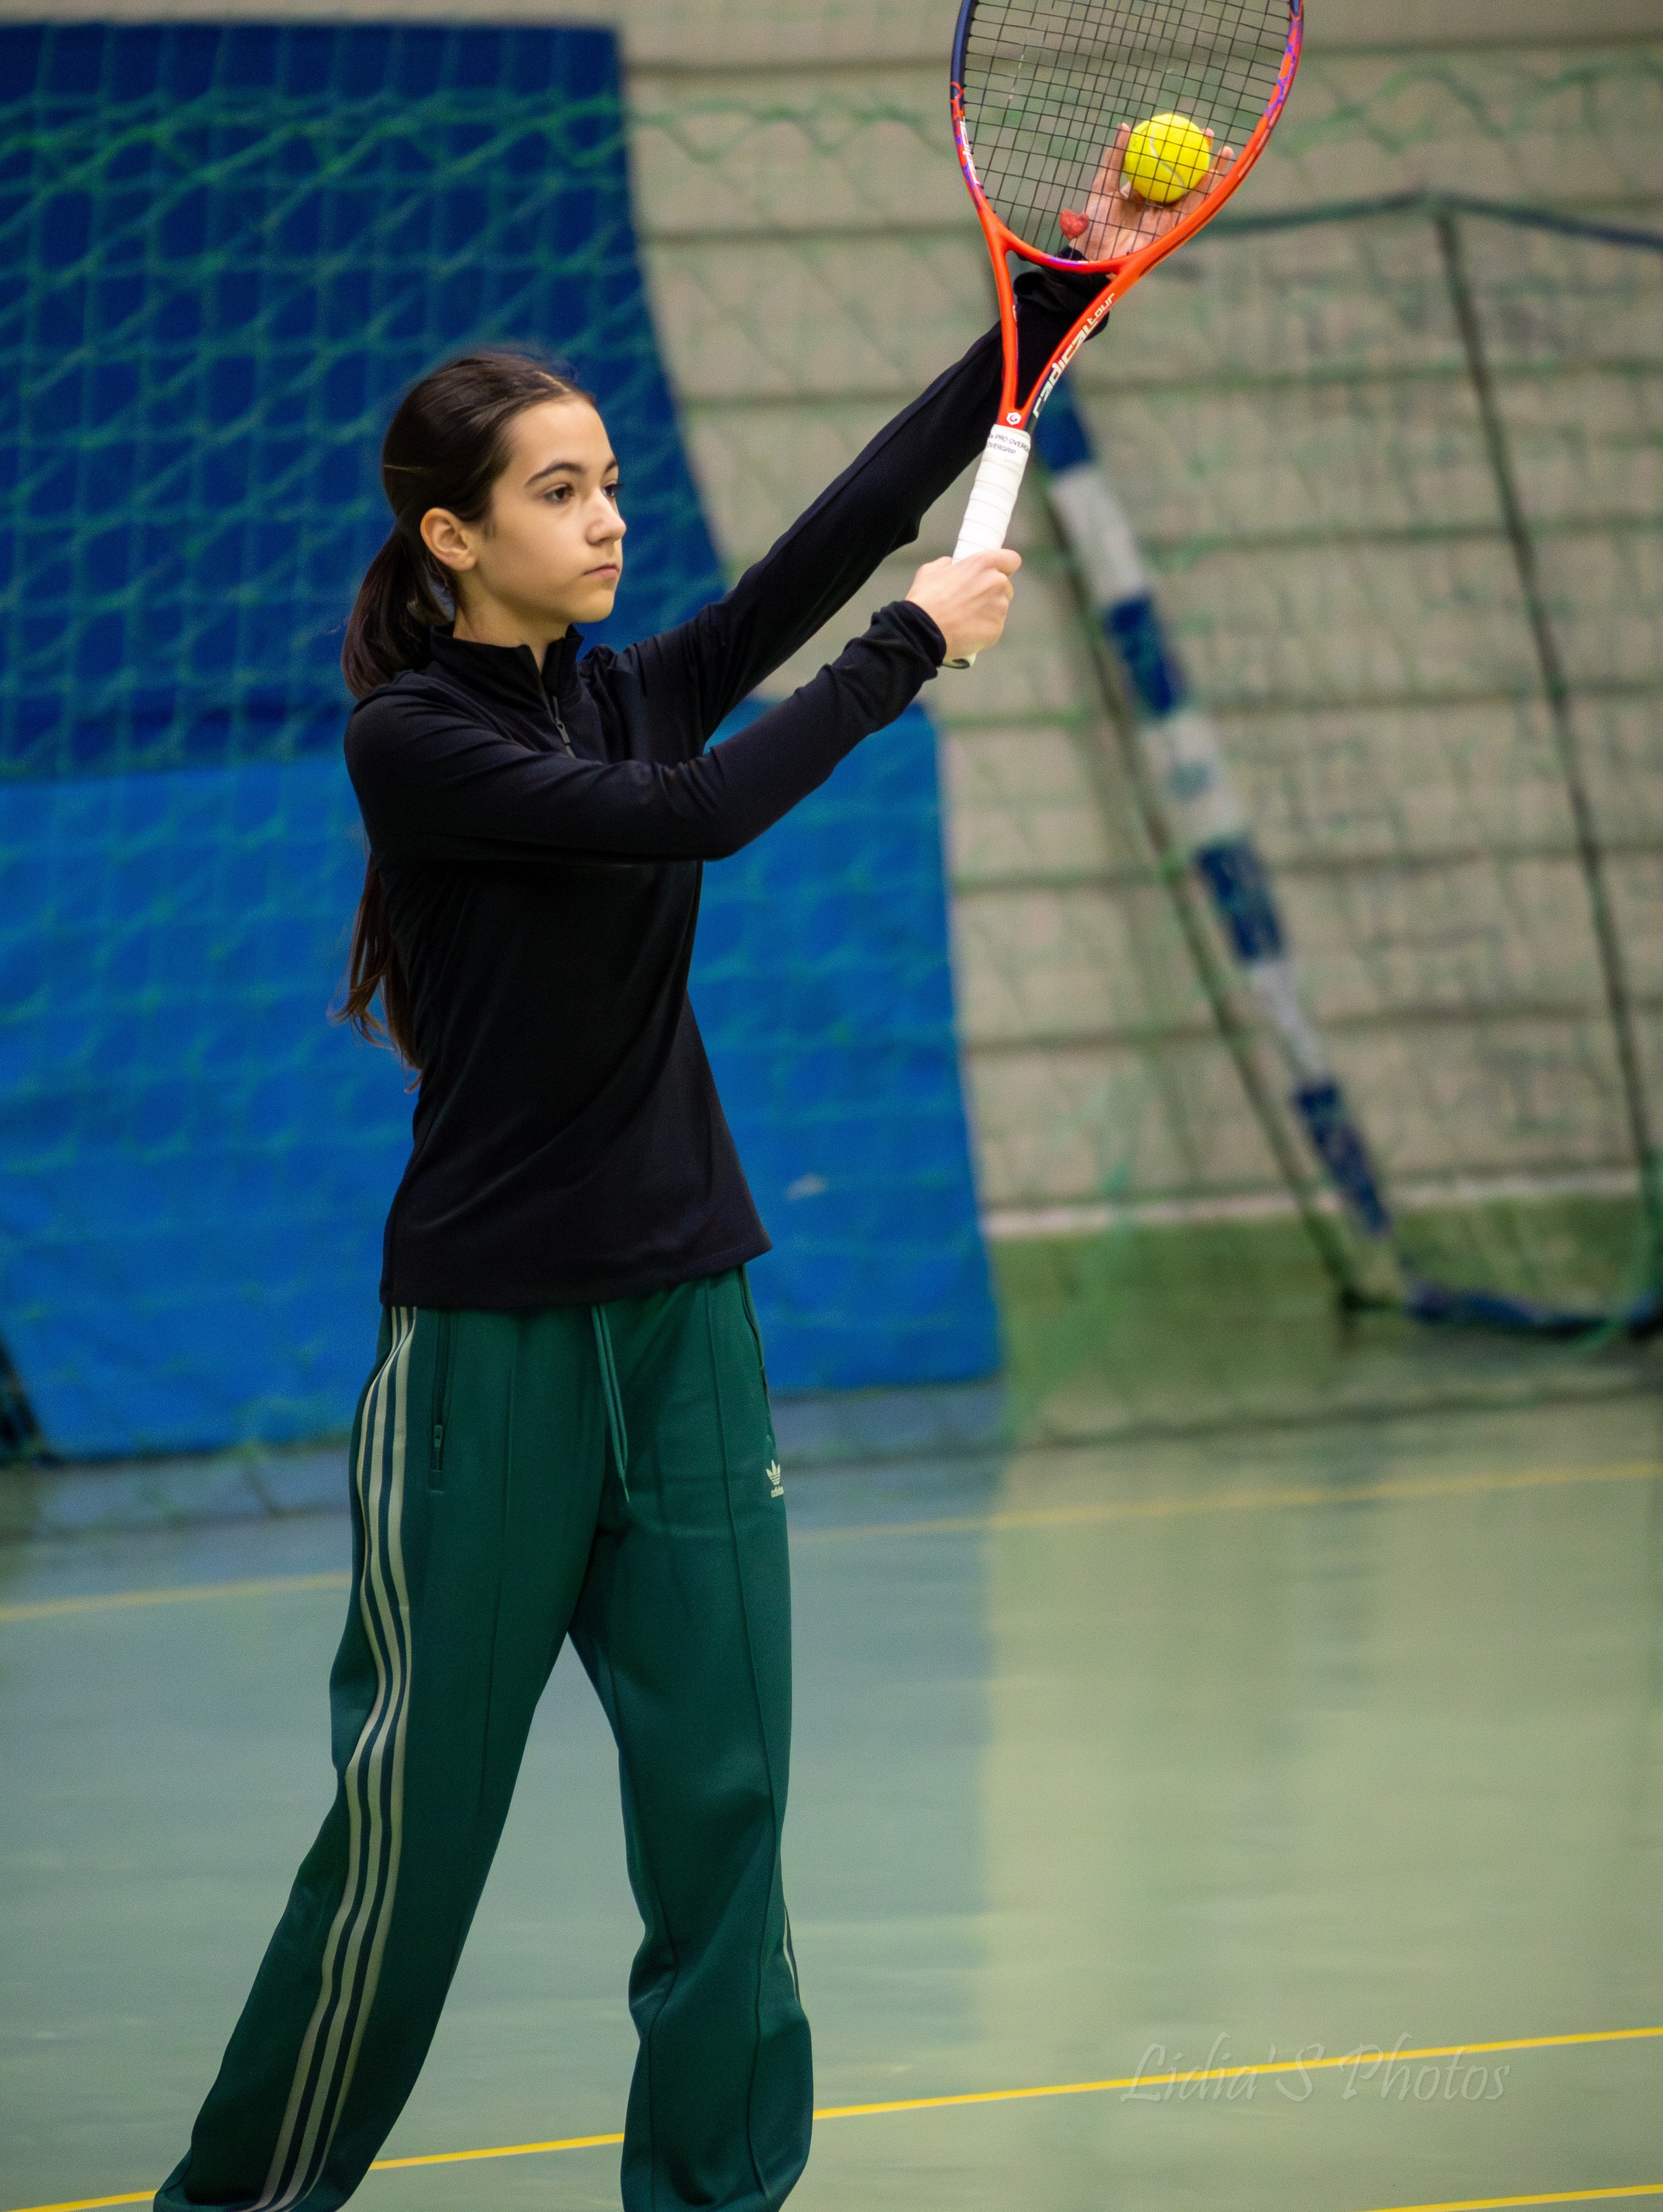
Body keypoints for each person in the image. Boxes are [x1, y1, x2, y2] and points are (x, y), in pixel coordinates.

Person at [154, 267, 1098, 2212]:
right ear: (452, 536)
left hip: (687, 1323)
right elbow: (692, 817)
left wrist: (1045, 317)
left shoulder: (626, 674)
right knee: (410, 1848)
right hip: (492, 1356)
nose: (605, 520)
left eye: (607, 486)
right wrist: (909, 651)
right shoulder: (411, 742)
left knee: (726, 1819)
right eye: (561, 493)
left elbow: (843, 534)